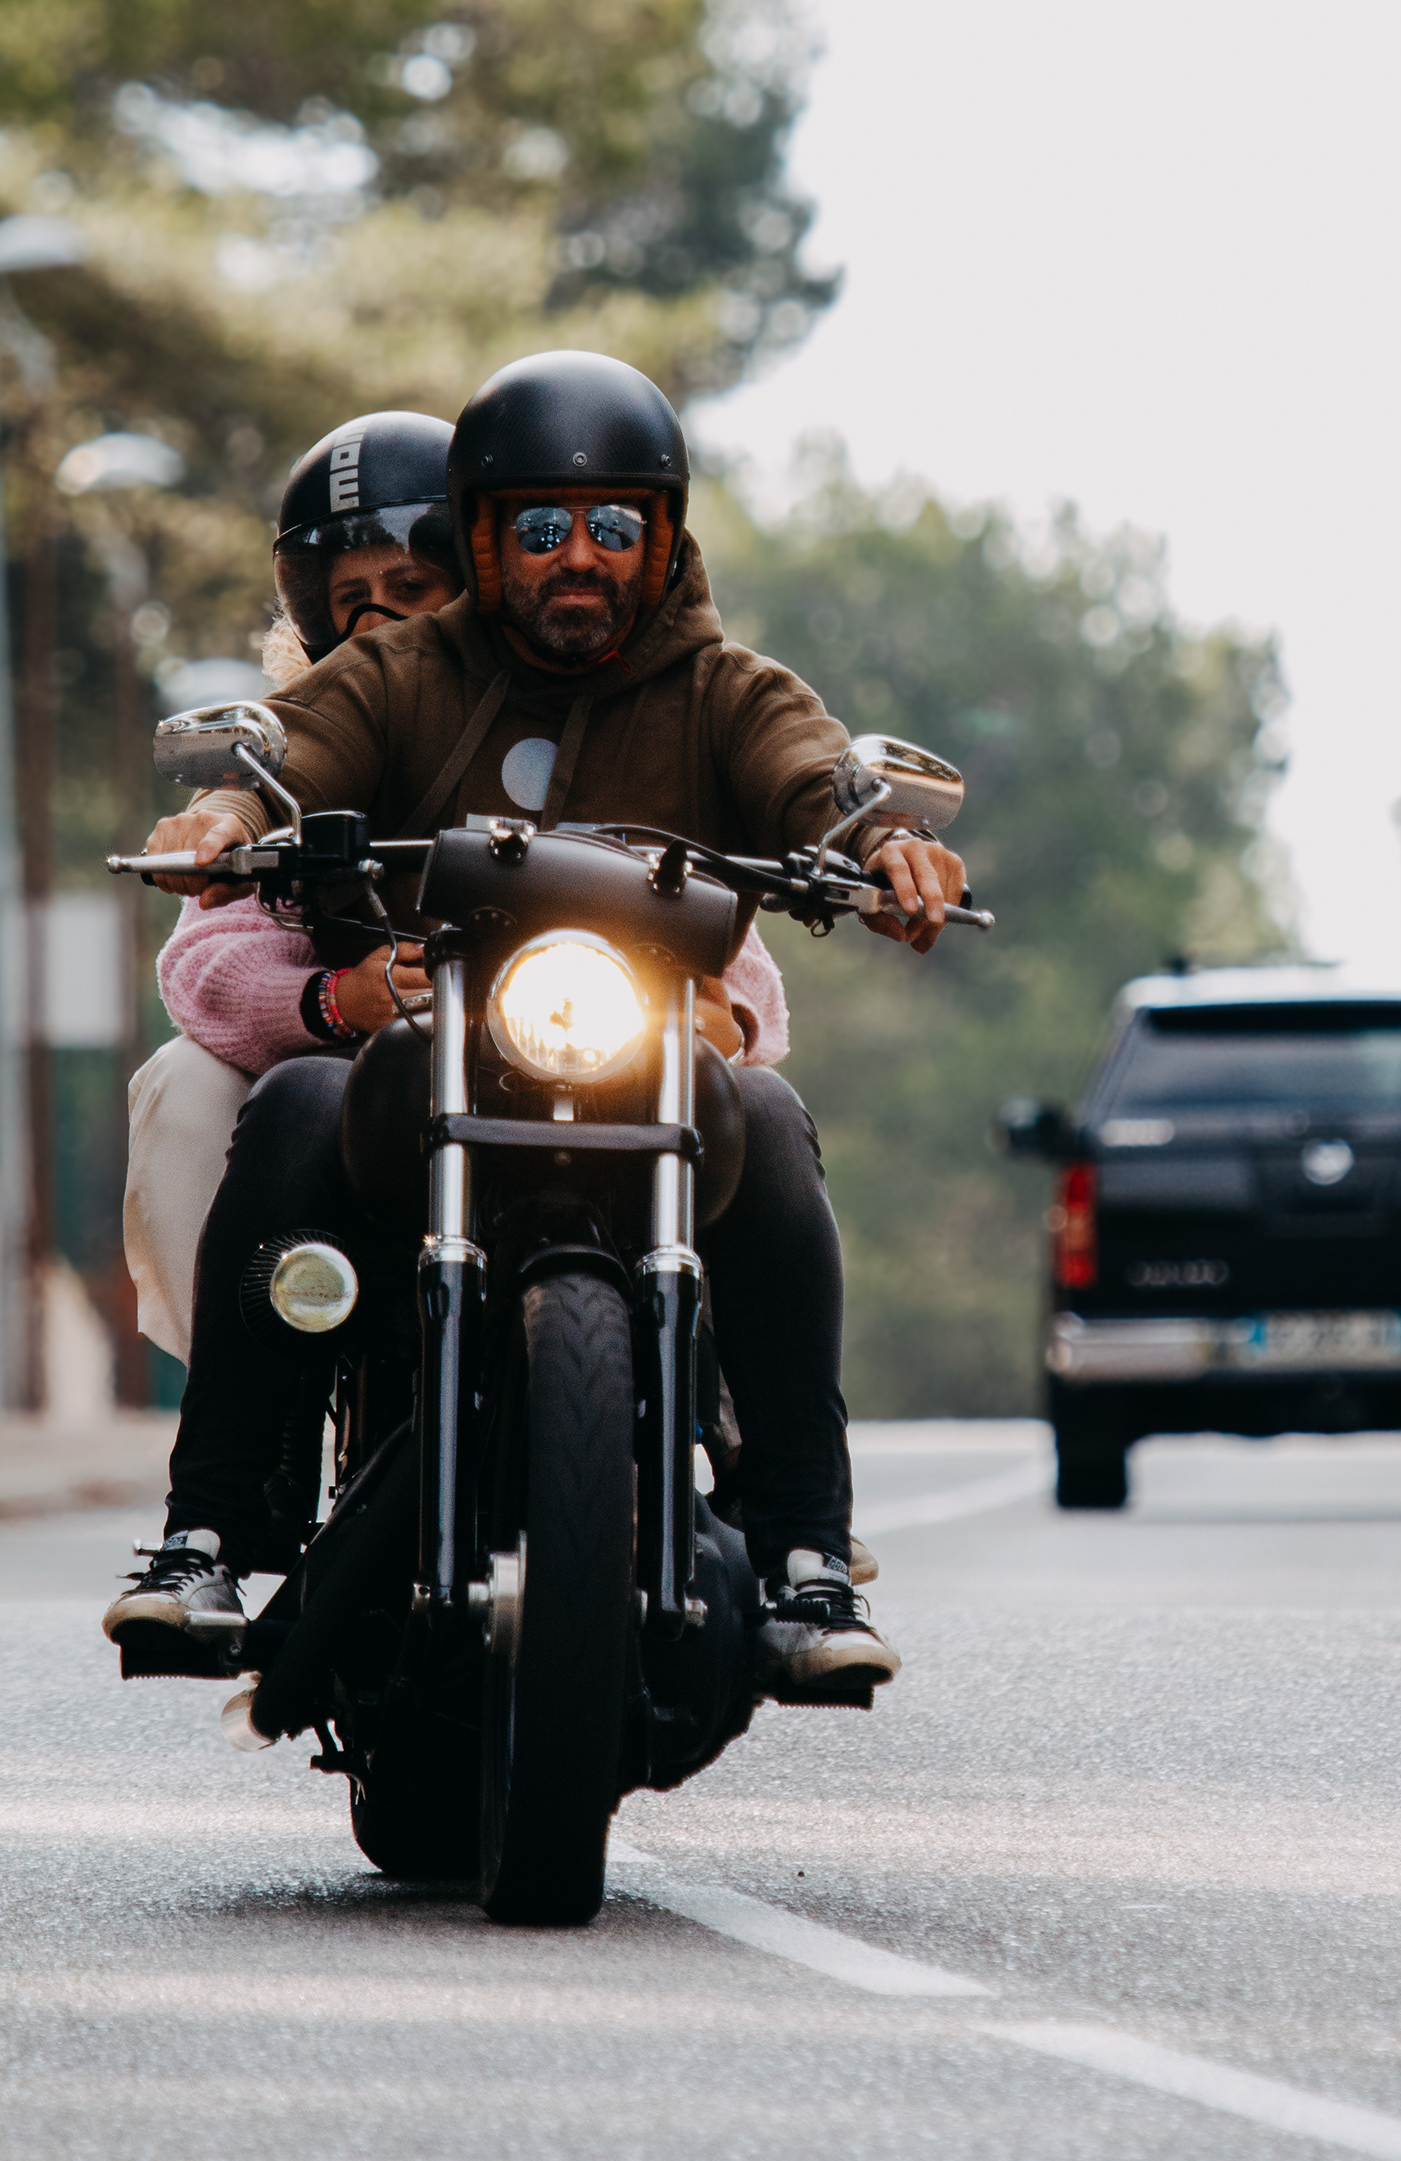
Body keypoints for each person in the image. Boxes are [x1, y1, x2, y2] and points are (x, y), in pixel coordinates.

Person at [105, 351, 964, 1704]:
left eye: (615, 524)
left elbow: (813, 775)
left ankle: (807, 1550)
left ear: (661, 540)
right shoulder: (401, 671)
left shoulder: (727, 689)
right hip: (425, 1058)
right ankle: (206, 1532)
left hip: (641, 1062)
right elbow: (295, 748)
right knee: (300, 1100)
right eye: (543, 525)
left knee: (771, 1113)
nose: (580, 555)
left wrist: (881, 843)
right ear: (485, 537)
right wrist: (229, 813)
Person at [125, 409, 787, 1359]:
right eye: (348, 598)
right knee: (195, 1085)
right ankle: (244, 1385)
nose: (378, 622)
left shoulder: (589, 707)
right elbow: (208, 956)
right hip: (373, 1084)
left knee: (760, 1110)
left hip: (595, 1062)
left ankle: (731, 1389)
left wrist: (724, 1006)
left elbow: (715, 915)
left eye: (410, 587)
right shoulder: (318, 731)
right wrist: (331, 994)